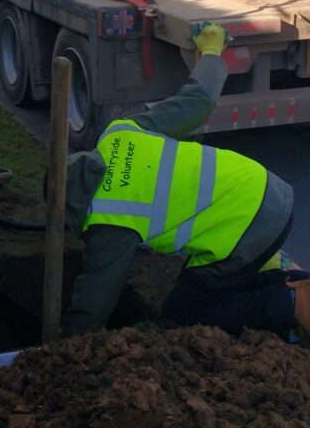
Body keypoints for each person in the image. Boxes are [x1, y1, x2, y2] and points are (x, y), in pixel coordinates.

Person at [61, 22, 310, 342]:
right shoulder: (120, 133)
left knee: (184, 321)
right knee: (199, 286)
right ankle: (281, 277)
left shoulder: (108, 222)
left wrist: (65, 345)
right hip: (264, 188)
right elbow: (197, 101)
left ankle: (288, 303)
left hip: (249, 228)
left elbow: (96, 298)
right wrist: (210, 51)